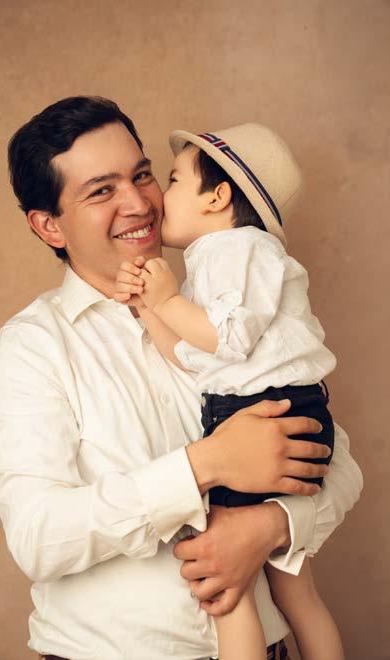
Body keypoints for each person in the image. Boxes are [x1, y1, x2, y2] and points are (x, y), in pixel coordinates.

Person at [0, 96, 362, 660]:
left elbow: (341, 465)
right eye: (101, 191)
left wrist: (272, 525)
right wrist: (205, 465)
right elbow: (39, 537)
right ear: (49, 225)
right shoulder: (33, 346)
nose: (139, 204)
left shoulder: (225, 308)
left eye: (142, 175)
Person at [115, 123, 345, 660]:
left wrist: (166, 301)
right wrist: (149, 309)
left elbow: (229, 338)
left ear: (218, 197)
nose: (160, 195)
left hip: (266, 414)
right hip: (269, 409)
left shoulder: (238, 248)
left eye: (174, 179)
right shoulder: (219, 258)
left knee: (225, 589)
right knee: (296, 593)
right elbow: (196, 357)